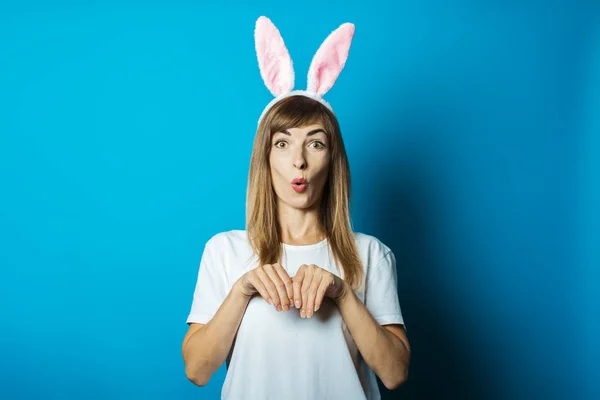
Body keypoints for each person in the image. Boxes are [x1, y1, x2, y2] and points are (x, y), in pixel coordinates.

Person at [181, 16, 411, 399]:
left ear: (332, 160)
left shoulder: (370, 254)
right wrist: (243, 289)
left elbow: (394, 373)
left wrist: (342, 294)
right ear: (265, 158)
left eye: (315, 144)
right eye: (283, 144)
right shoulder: (224, 251)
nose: (299, 162)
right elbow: (197, 370)